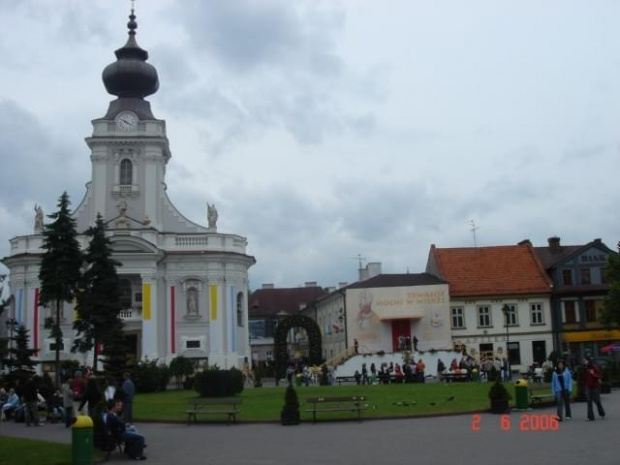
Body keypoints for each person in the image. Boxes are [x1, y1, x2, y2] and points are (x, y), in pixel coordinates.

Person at [583, 357, 606, 421]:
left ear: (588, 361)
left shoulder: (594, 367)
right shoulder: (585, 369)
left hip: (595, 387)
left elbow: (600, 375)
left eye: (585, 360)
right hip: (588, 387)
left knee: (597, 401)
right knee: (589, 401)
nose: (584, 362)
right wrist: (584, 387)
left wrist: (593, 374)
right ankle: (590, 417)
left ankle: (602, 413)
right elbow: (584, 379)